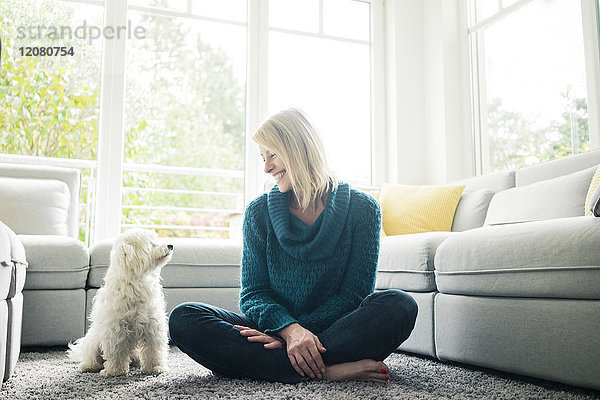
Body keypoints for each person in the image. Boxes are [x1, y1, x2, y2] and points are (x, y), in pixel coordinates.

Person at [169, 108, 418, 384]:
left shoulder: (363, 210)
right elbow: (254, 294)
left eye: (272, 154)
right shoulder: (258, 213)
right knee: (184, 318)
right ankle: (330, 371)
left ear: (300, 147)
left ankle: (262, 366)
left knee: (401, 305)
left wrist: (301, 334)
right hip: (277, 327)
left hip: (332, 331)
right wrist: (288, 330)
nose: (266, 167)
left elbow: (353, 296)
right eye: (263, 158)